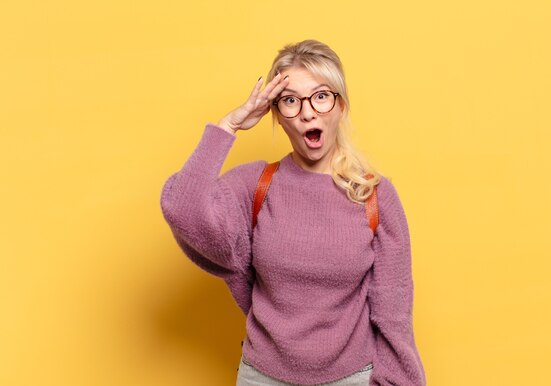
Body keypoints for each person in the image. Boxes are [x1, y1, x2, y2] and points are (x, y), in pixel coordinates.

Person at [160, 39, 426, 385]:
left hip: (352, 379)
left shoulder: (374, 196)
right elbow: (183, 208)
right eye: (290, 101)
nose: (307, 112)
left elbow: (394, 313)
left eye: (321, 96)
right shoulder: (255, 185)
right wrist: (229, 126)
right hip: (262, 377)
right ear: (277, 116)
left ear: (340, 106)